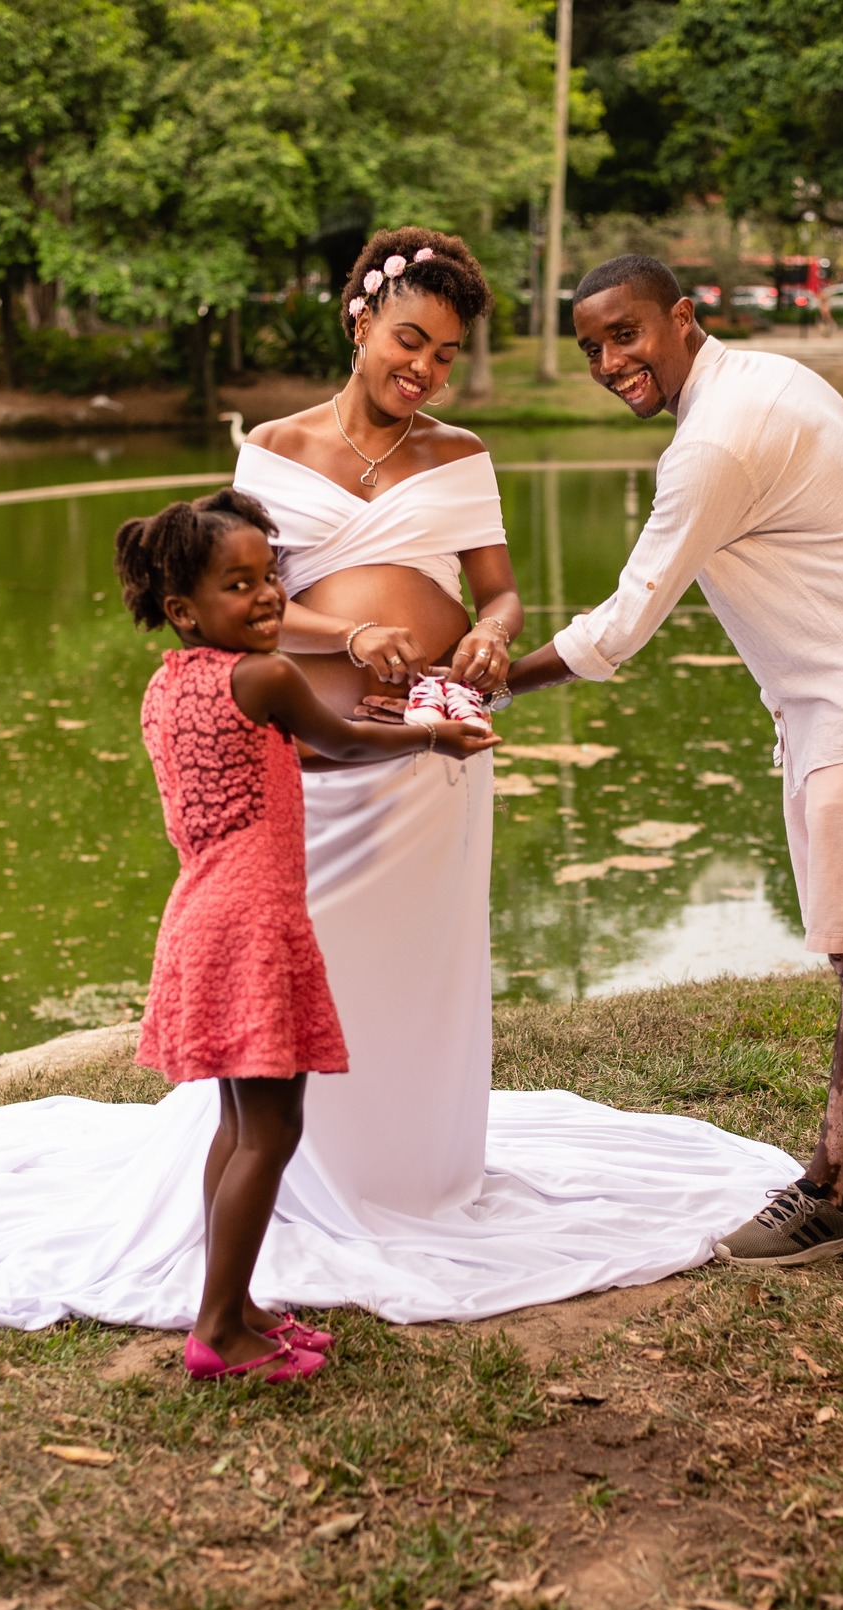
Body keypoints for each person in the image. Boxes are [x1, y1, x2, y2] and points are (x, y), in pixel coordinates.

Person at [0, 231, 803, 1333]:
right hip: (318, 763)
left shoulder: (464, 457)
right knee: (302, 984)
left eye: (446, 354)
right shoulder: (271, 450)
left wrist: (494, 641)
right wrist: (347, 635)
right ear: (361, 326)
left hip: (434, 760)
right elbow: (246, 596)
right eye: (411, 341)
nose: (426, 370)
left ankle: (413, 1173)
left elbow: (498, 595)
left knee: (413, 979)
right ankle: (295, 1190)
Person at [508, 253, 843, 1270]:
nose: (607, 360)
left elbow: (627, 621)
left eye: (624, 335)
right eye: (590, 345)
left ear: (682, 317)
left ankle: (830, 1192)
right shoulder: (766, 381)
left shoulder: (716, 439)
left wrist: (496, 682)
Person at [116, 486, 495, 1379]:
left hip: (202, 916)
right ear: (184, 608)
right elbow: (344, 743)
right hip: (254, 921)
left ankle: (234, 1299)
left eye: (270, 577)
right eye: (237, 586)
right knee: (273, 1128)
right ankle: (218, 1333)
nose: (266, 597)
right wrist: (430, 737)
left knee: (237, 1123)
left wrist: (366, 731)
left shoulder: (175, 684)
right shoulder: (271, 673)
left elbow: (291, 748)